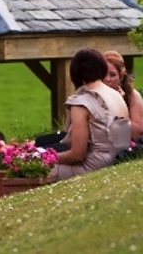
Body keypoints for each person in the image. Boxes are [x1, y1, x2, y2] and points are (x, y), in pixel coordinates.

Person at [49, 49, 131, 181]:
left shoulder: (81, 103)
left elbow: (77, 155)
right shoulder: (117, 95)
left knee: (32, 169)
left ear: (76, 74)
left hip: (93, 168)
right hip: (119, 160)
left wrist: (46, 158)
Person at [102, 51, 143, 142]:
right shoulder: (92, 94)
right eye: (103, 74)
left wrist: (118, 105)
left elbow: (137, 134)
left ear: (121, 77)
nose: (107, 79)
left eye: (112, 75)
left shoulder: (132, 95)